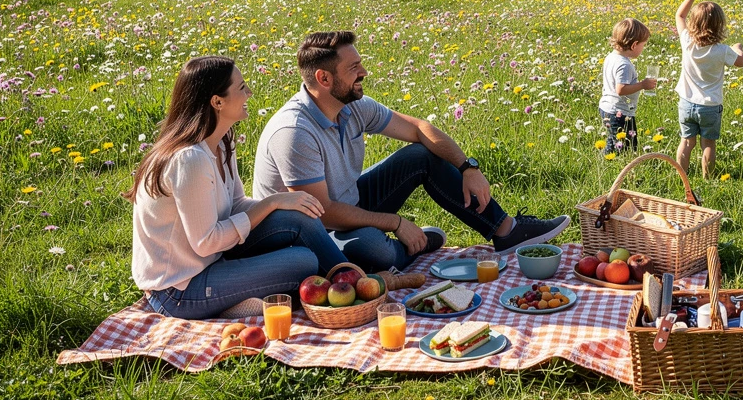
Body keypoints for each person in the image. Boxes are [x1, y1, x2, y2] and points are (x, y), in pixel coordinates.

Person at [253, 31, 570, 272]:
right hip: (312, 233)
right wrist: (394, 223)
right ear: (324, 78)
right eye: (354, 68)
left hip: (348, 202)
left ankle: (505, 230)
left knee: (422, 155)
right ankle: (411, 245)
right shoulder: (294, 132)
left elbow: (419, 128)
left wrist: (467, 167)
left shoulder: (352, 106)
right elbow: (323, 213)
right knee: (377, 252)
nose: (363, 72)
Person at [128, 57, 344, 321]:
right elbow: (206, 242)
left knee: (299, 216)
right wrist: (270, 203)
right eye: (242, 88)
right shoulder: (190, 160)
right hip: (179, 291)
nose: (250, 93)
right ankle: (350, 286)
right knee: (304, 262)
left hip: (212, 261)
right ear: (217, 102)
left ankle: (350, 277)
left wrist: (280, 202)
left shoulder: (220, 141)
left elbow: (235, 204)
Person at [674, 0, 743, 178]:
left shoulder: (687, 41)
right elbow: (741, 62)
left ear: (693, 24)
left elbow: (679, 15)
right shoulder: (722, 51)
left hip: (686, 103)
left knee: (686, 142)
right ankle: (708, 178)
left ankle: (682, 177)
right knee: (708, 144)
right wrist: (738, 49)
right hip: (710, 106)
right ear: (720, 26)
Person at [598, 17, 656, 154]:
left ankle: (609, 162)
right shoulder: (624, 65)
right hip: (619, 112)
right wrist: (643, 84)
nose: (643, 48)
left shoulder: (612, 57)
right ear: (634, 45)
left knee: (615, 140)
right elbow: (621, 89)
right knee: (623, 146)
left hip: (608, 107)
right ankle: (613, 166)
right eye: (643, 44)